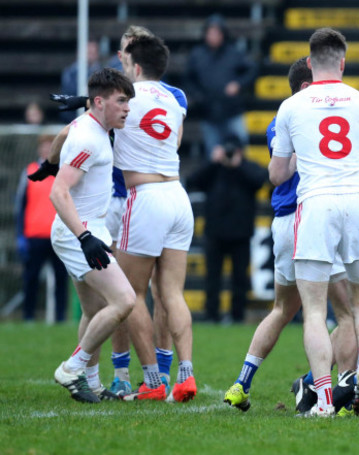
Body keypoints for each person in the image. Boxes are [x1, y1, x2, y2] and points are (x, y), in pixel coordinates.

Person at [269, 28, 359, 417]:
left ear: (309, 62)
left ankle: (322, 400)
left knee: (315, 310)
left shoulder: (291, 107)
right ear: (343, 62)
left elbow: (276, 175)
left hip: (317, 203)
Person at [223, 57, 357, 413]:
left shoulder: (279, 120)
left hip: (284, 223)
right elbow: (279, 173)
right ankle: (341, 398)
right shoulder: (299, 119)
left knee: (283, 309)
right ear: (304, 87)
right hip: (310, 217)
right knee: (344, 313)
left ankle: (241, 383)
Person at [111, 34, 196, 403]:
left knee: (129, 295)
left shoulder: (126, 99)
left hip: (144, 198)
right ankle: (186, 374)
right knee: (172, 293)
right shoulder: (174, 101)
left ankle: (151, 381)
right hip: (178, 196)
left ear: (137, 66)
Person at [51, 67, 136, 403]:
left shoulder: (94, 125)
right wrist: (85, 238)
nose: (127, 108)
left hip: (88, 228)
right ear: (99, 102)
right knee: (124, 301)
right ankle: (71, 368)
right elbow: (59, 193)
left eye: (128, 101)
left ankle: (92, 382)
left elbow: (64, 134)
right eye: (120, 101)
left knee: (94, 309)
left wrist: (50, 161)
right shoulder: (88, 136)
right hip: (79, 232)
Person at [186, 134, 268, 324]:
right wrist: (213, 162)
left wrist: (239, 165)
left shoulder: (247, 167)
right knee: (212, 278)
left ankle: (237, 316)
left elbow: (260, 179)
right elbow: (193, 181)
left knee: (240, 278)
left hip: (241, 233)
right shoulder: (214, 169)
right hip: (214, 232)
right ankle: (211, 315)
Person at [183, 14, 258, 159]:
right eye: (210, 33)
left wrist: (238, 84)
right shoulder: (197, 55)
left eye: (217, 33)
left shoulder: (234, 53)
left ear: (223, 34)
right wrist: (198, 96)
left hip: (232, 111)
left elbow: (251, 69)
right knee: (214, 155)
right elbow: (188, 79)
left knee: (240, 152)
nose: (213, 36)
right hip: (209, 112)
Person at [15, 134, 69, 322]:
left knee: (61, 279)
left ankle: (60, 318)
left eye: (50, 147)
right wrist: (20, 235)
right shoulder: (29, 171)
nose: (46, 150)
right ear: (39, 149)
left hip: (59, 235)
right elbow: (20, 206)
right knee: (31, 278)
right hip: (35, 235)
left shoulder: (63, 172)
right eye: (44, 147)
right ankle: (28, 317)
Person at [60, 38, 103, 124]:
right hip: (72, 119)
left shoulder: (103, 73)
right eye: (88, 52)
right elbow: (68, 95)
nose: (90, 55)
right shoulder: (70, 73)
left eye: (92, 53)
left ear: (97, 54)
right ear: (79, 52)